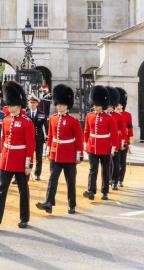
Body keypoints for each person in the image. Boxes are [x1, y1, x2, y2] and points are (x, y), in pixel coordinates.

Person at [0, 81, 35, 229]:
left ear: (19, 106)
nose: (10, 108)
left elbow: (30, 145)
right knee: (2, 189)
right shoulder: (5, 120)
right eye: (9, 105)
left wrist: (28, 165)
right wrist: (2, 159)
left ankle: (24, 218)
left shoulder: (27, 122)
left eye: (13, 105)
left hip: (20, 161)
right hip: (7, 160)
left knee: (23, 190)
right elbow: (3, 141)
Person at [36, 84, 83, 214]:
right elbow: (50, 136)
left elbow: (79, 139)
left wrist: (79, 154)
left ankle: (72, 204)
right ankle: (49, 203)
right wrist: (49, 150)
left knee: (70, 181)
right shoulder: (53, 119)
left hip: (69, 155)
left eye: (62, 105)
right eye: (58, 105)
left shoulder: (73, 121)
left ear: (67, 106)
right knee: (52, 179)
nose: (59, 107)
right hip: (56, 154)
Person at [83, 85, 118, 201]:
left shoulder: (109, 118)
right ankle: (91, 190)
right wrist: (85, 144)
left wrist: (113, 147)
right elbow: (87, 131)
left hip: (105, 147)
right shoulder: (89, 116)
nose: (96, 107)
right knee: (93, 169)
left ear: (102, 105)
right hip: (92, 147)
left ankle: (105, 192)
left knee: (105, 170)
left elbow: (113, 134)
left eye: (98, 106)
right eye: (95, 105)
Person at [106, 87, 127, 191]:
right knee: (107, 163)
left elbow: (123, 131)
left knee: (116, 163)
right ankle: (108, 179)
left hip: (117, 142)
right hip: (105, 142)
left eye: (110, 106)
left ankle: (115, 181)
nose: (109, 107)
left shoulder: (118, 116)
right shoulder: (103, 116)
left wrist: (123, 143)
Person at [26, 95, 48, 181]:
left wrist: (47, 136)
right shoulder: (26, 114)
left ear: (37, 104)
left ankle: (37, 174)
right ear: (28, 103)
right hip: (28, 139)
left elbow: (46, 126)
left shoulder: (42, 114)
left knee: (39, 157)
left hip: (39, 138)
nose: (32, 104)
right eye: (31, 102)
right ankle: (27, 172)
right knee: (28, 156)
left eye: (34, 103)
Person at [115, 87, 133, 187]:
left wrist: (130, 140)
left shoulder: (127, 115)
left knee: (122, 162)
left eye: (120, 104)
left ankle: (120, 180)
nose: (119, 106)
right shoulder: (111, 115)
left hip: (124, 141)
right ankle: (113, 178)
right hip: (114, 142)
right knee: (114, 162)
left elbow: (129, 128)